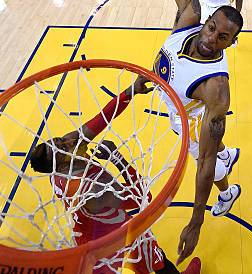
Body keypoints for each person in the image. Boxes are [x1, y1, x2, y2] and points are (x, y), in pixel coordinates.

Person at [151, 0, 243, 265]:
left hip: (187, 120)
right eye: (212, 27)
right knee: (216, 154)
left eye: (223, 38)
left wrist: (196, 220)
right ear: (205, 20)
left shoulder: (216, 88)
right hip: (171, 98)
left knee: (211, 162)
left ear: (231, 44)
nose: (212, 37)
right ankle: (228, 156)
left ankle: (228, 190)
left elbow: (201, 161)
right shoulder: (187, 17)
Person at [29, 80, 201, 274]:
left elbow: (100, 120)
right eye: (63, 147)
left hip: (90, 229)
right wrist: (117, 158)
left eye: (61, 139)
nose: (71, 140)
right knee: (145, 254)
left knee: (154, 256)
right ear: (61, 164)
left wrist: (129, 92)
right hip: (109, 239)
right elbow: (140, 199)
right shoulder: (92, 190)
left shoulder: (63, 161)